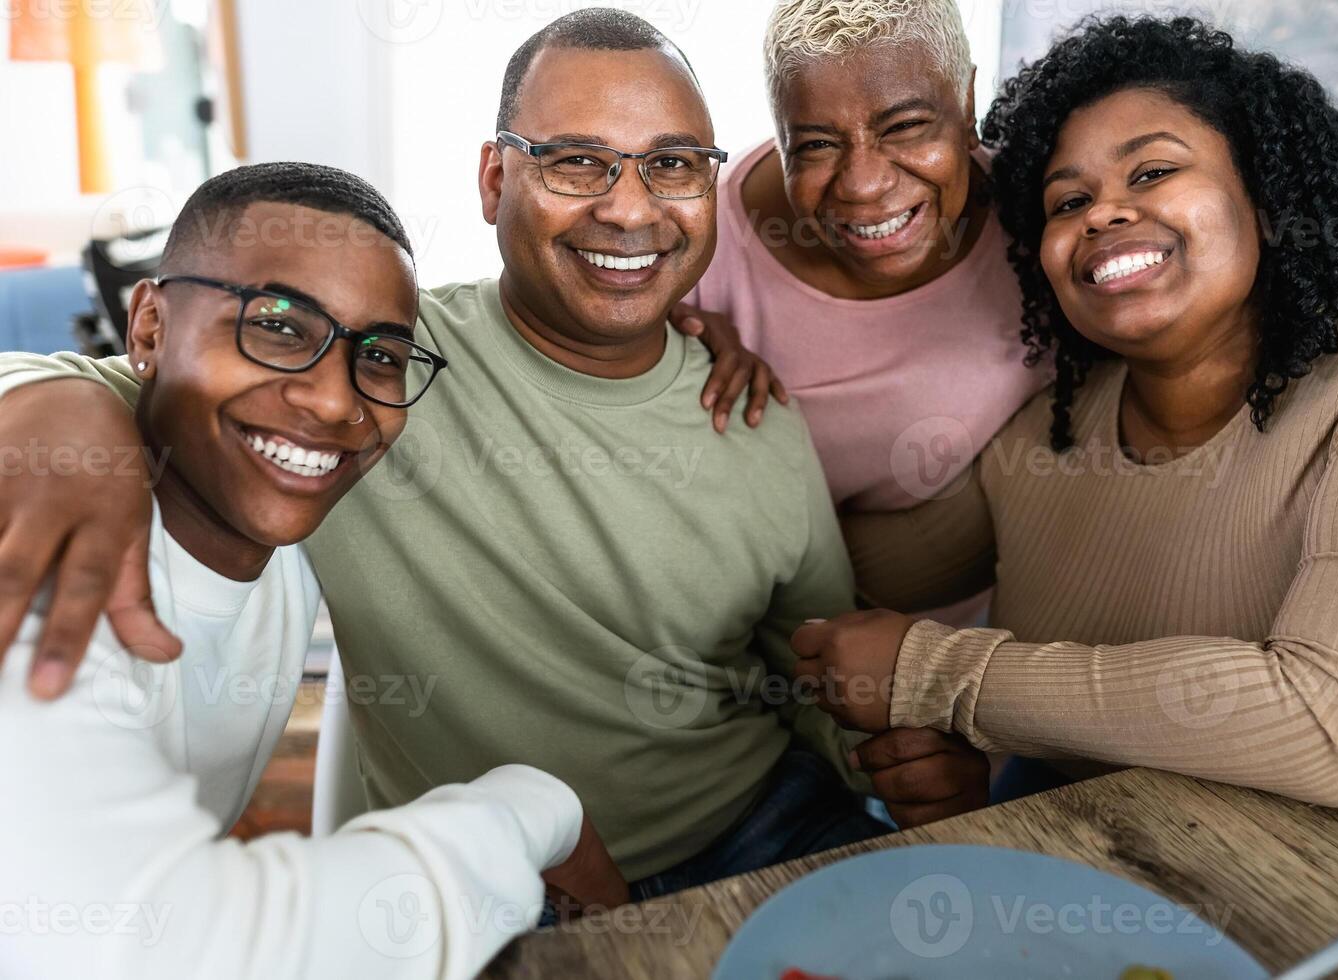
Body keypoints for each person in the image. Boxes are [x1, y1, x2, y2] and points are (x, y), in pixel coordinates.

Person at [0, 9, 988, 902]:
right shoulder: (372, 371)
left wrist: (892, 758)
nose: (631, 209)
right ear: (492, 179)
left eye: (672, 164)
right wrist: (54, 406)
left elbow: (812, 665)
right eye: (575, 162)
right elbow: (159, 383)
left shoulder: (755, 414)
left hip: (758, 826)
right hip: (489, 872)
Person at [790, 16, 1338, 838]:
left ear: (1266, 199)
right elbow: (842, 570)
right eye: (1068, 201)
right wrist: (676, 365)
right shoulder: (1049, 428)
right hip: (1110, 865)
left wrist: (938, 677)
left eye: (1153, 171)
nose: (1100, 216)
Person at [0, 162, 625, 978]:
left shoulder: (297, 532)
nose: (335, 403)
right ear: (149, 327)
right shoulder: (50, 554)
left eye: (379, 356)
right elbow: (157, 947)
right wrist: (532, 809)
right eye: (281, 327)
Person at [673, 0, 1050, 627]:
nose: (864, 185)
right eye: (818, 143)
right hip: (756, 651)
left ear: (967, 102)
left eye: (903, 127)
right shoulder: (699, 246)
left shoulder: (1043, 218)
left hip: (976, 650)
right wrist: (665, 337)